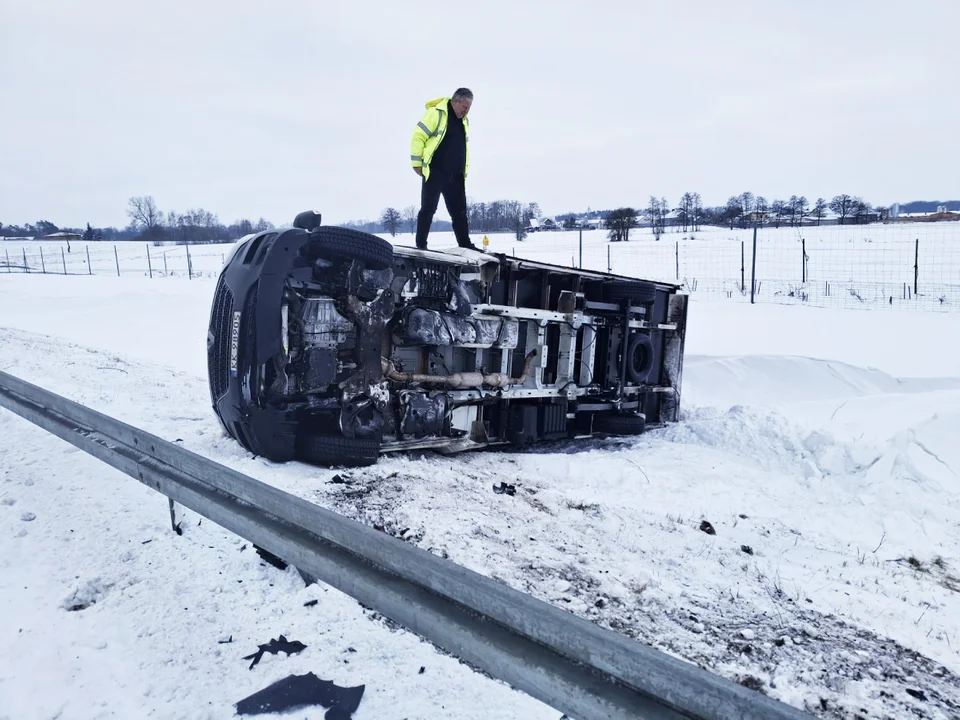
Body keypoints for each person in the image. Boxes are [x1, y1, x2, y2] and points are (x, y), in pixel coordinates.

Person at [410, 88, 478, 250]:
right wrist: (417, 163)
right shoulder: (437, 113)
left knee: (460, 213)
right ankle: (421, 245)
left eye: (469, 108)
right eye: (465, 107)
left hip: (456, 174)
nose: (466, 111)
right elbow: (418, 135)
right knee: (428, 209)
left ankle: (465, 245)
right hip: (435, 171)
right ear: (455, 101)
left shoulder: (464, 120)